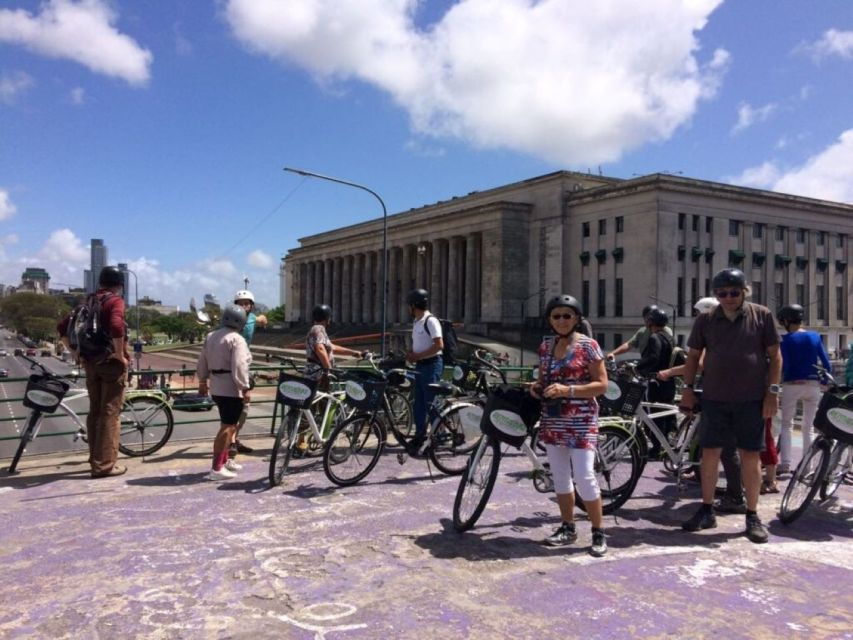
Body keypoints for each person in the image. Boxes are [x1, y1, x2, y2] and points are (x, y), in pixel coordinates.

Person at [680, 268, 781, 544]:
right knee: (710, 453)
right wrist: (687, 390)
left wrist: (772, 393)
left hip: (751, 399)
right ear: (716, 295)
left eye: (734, 292)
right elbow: (693, 356)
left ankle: (751, 514)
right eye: (722, 293)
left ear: (744, 292)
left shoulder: (762, 315)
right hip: (714, 397)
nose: (728, 298)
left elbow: (775, 356)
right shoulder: (706, 320)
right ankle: (707, 508)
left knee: (750, 455)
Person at [530, 294, 609, 557]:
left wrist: (568, 390)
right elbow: (543, 379)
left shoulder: (589, 346)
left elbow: (601, 385)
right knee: (561, 478)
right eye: (556, 316)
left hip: (581, 420)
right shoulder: (546, 347)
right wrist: (537, 388)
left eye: (567, 315)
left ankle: (598, 531)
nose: (562, 320)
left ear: (576, 318)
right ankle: (568, 526)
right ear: (549, 320)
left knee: (585, 477)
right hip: (554, 420)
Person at [658, 296, 745, 512]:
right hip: (716, 393)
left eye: (699, 313)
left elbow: (698, 363)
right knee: (715, 445)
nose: (698, 318)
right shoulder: (721, 330)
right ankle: (724, 488)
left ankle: (736, 496)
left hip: (722, 396)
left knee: (724, 447)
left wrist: (670, 372)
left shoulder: (716, 333)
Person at [57, 266, 130, 478]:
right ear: (119, 285)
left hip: (90, 363)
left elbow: (62, 328)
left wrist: (75, 352)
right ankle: (105, 465)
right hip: (109, 363)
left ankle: (95, 460)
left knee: (95, 412)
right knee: (110, 413)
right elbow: (117, 326)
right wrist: (119, 355)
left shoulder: (87, 301)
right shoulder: (115, 301)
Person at [197, 305, 252, 480]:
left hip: (216, 384)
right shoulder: (237, 339)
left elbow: (202, 360)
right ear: (241, 322)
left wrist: (202, 380)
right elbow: (239, 365)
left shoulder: (211, 336)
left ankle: (225, 459)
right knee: (228, 427)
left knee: (229, 425)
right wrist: (245, 387)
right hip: (231, 387)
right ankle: (216, 468)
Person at [776, 304, 831, 477]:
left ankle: (785, 464)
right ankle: (807, 466)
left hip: (791, 385)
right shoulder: (814, 337)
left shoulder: (783, 340)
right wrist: (824, 380)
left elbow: (781, 365)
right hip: (813, 385)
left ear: (786, 321)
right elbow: (826, 363)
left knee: (786, 425)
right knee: (808, 428)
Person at [227, 290, 268, 463]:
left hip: (244, 363)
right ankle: (231, 442)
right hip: (232, 365)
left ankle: (233, 439)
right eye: (241, 303)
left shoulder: (251, 317)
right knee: (237, 404)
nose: (244, 306)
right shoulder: (233, 320)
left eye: (247, 303)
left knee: (243, 404)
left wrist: (261, 318)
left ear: (251, 305)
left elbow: (263, 319)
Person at [404, 289, 444, 456]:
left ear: (414, 305)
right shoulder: (417, 321)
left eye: (409, 305)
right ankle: (420, 435)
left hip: (431, 365)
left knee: (431, 403)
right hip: (420, 367)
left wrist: (418, 355)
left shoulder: (430, 321)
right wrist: (411, 354)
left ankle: (436, 439)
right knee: (418, 404)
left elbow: (439, 345)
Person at [635, 307, 676, 456]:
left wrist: (638, 367)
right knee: (665, 414)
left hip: (655, 383)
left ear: (651, 321)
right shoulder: (669, 337)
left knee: (652, 415)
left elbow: (653, 357)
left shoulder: (654, 337)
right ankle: (666, 446)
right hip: (669, 382)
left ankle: (657, 448)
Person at [607, 304, 673, 361]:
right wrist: (613, 353)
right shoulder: (642, 331)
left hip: (661, 367)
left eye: (650, 318)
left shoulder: (665, 331)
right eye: (647, 318)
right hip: (646, 365)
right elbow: (629, 345)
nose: (648, 321)